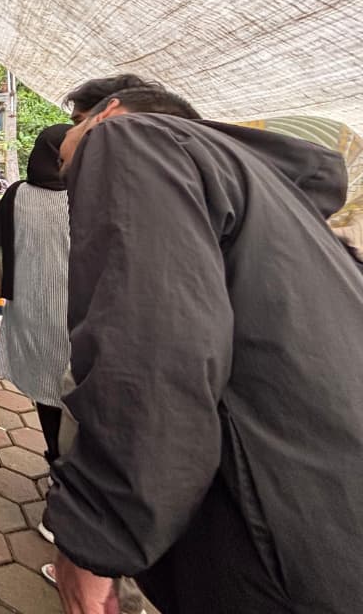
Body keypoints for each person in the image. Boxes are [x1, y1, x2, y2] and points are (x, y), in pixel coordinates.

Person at [48, 85, 363, 614]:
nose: (65, 170)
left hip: (274, 548)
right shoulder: (284, 207)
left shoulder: (131, 138)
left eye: (69, 143)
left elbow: (154, 355)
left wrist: (95, 540)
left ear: (109, 113)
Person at [0, 125, 71, 463]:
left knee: (46, 388)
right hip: (76, 309)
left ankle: (55, 457)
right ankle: (70, 468)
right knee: (72, 388)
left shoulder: (18, 194)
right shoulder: (86, 195)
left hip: (31, 307)